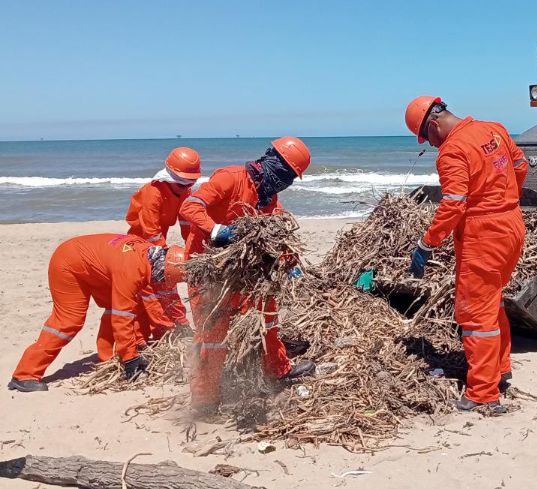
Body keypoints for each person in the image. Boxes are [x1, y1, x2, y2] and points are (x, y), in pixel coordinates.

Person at [404, 96, 528, 412]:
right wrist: (505, 198)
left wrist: (426, 244)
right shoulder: (493, 129)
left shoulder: (452, 152)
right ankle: (500, 369)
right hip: (512, 224)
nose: (429, 145)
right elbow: (520, 166)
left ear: (433, 124)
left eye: (426, 137)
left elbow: (454, 205)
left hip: (484, 234)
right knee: (491, 300)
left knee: (475, 315)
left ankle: (484, 393)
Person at [178, 137, 316, 414]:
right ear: (270, 163)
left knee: (267, 315)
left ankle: (278, 370)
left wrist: (290, 262)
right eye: (284, 174)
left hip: (243, 272)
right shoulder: (229, 178)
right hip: (208, 269)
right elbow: (189, 207)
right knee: (212, 335)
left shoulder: (268, 197)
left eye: (290, 178)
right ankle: (205, 400)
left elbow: (275, 234)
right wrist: (217, 230)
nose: (285, 182)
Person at [8, 236, 186, 392]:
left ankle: (106, 358)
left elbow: (156, 299)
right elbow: (122, 316)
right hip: (68, 264)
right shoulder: (130, 271)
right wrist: (130, 358)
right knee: (69, 321)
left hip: (93, 263)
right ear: (161, 270)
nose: (161, 282)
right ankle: (25, 374)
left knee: (122, 304)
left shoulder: (151, 254)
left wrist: (181, 324)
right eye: (163, 278)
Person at [124, 146, 202, 337]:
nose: (186, 188)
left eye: (189, 184)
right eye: (182, 184)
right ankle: (168, 330)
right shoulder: (154, 191)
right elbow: (150, 230)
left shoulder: (184, 191)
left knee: (163, 287)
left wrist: (195, 249)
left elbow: (186, 224)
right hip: (139, 243)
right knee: (154, 288)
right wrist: (162, 255)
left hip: (159, 238)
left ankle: (173, 328)